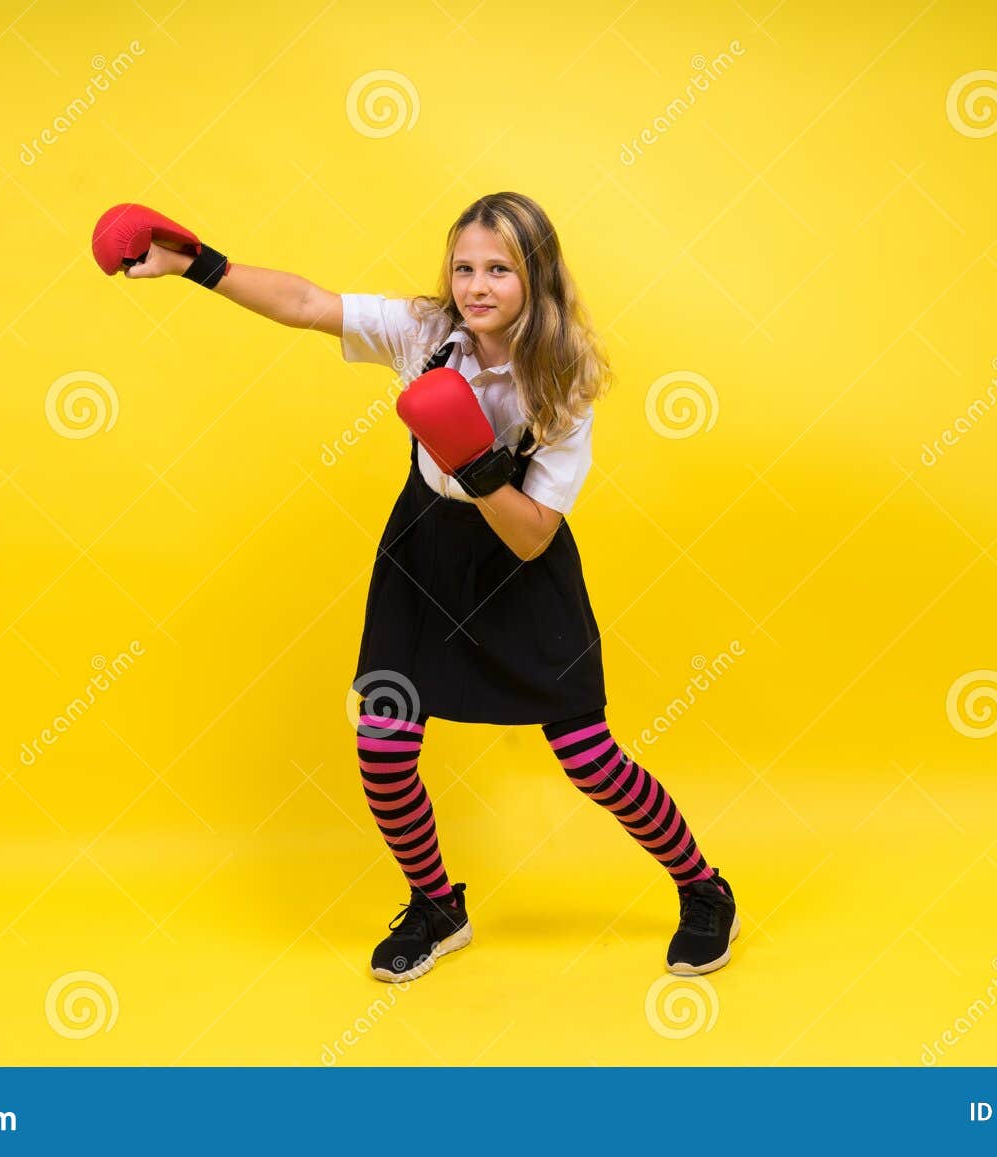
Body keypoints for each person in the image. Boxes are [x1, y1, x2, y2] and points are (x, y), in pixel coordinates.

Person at [103, 191, 739, 981]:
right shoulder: (428, 331)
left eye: (499, 270)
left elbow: (535, 531)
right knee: (383, 742)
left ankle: (704, 888)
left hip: (519, 562)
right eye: (464, 266)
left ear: (537, 279)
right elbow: (306, 304)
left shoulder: (563, 380)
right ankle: (436, 904)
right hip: (424, 552)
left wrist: (473, 458)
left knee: (587, 756)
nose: (476, 285)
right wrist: (198, 264)